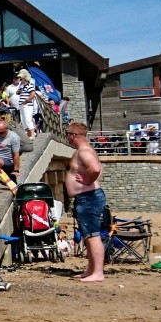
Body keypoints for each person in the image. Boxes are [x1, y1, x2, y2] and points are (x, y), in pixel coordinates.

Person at [67, 121, 106, 282]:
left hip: (88, 197)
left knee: (92, 235)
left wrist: (87, 180)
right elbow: (99, 167)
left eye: (68, 134)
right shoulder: (86, 150)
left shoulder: (83, 151)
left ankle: (98, 272)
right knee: (88, 235)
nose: (67, 137)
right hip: (87, 197)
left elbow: (96, 168)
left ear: (74, 135)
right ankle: (91, 270)